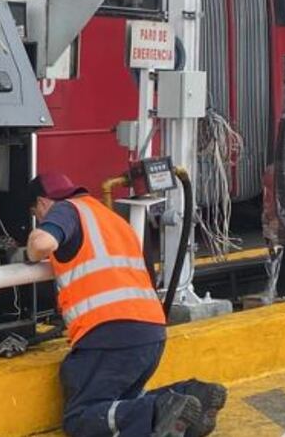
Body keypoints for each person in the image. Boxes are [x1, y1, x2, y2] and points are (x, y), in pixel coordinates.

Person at [26, 172, 227, 437]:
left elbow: (42, 243)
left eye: (35, 213)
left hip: (109, 333)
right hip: (151, 331)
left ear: (42, 203)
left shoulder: (65, 209)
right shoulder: (110, 217)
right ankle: (191, 395)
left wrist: (29, 251)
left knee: (81, 417)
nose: (40, 218)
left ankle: (157, 408)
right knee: (122, 403)